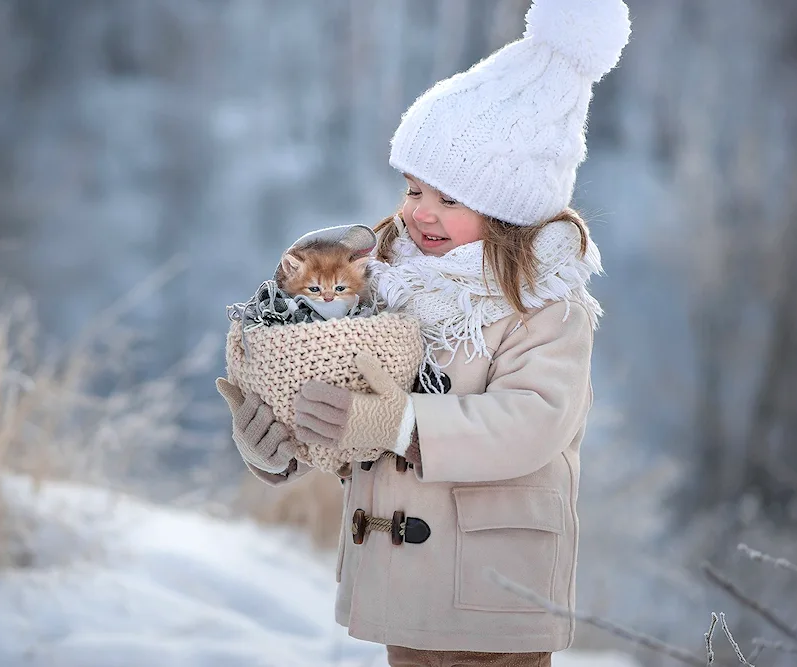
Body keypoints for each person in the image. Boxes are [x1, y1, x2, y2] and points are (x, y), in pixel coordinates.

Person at [216, 0, 631, 664]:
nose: (421, 213)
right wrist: (282, 441)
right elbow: (341, 401)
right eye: (414, 189)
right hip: (402, 592)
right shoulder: (384, 280)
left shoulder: (547, 306)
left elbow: (531, 421)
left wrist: (399, 423)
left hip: (494, 596)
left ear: (508, 210)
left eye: (450, 198)